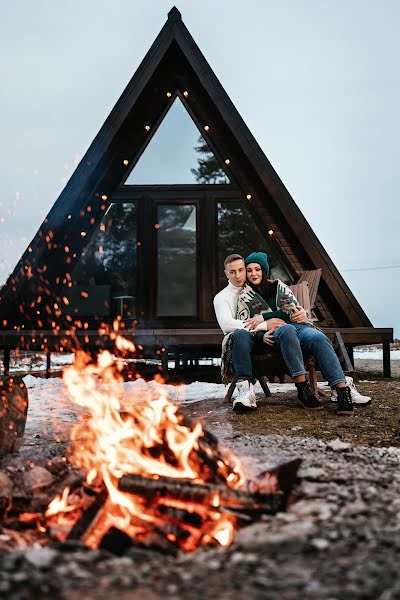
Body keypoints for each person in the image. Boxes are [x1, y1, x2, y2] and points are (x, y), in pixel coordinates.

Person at [213, 252, 370, 414]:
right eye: (249, 270)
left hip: (296, 326)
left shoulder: (277, 286)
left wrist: (267, 316)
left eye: (257, 269)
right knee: (287, 329)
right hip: (277, 333)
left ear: (264, 270)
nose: (253, 274)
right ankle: (302, 387)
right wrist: (264, 327)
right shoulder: (244, 296)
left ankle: (342, 389)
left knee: (317, 337)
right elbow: (247, 325)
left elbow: (291, 311)